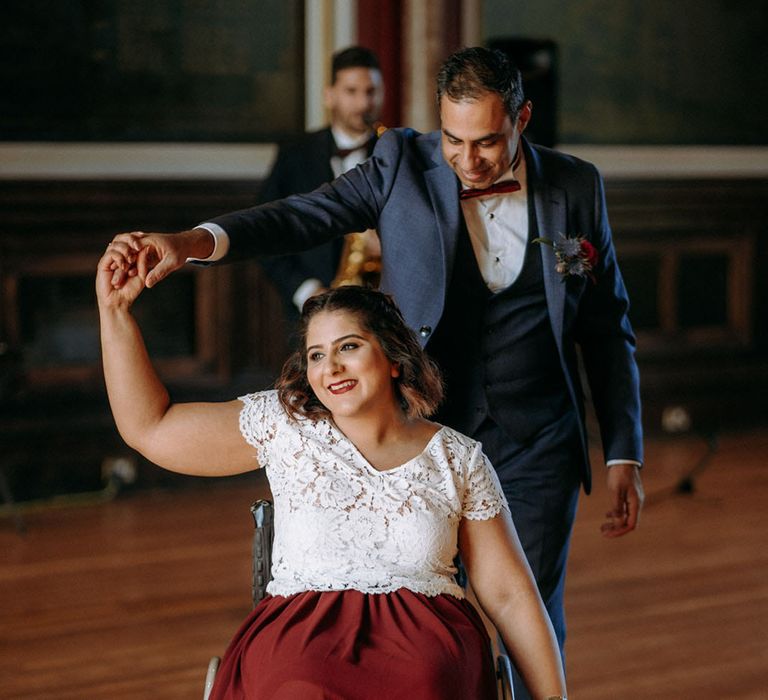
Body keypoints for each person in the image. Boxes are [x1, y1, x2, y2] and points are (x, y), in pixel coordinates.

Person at [108, 46, 644, 698]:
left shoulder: (576, 184)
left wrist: (624, 452)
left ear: (523, 118)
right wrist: (193, 244)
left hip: (537, 439)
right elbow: (298, 215)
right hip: (414, 426)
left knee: (529, 611)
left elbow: (607, 326)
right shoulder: (402, 165)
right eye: (453, 138)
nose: (467, 160)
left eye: (486, 142)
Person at [96, 248, 569, 699]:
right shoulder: (282, 425)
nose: (331, 367)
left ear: (394, 359)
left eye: (349, 346)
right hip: (301, 642)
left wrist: (553, 698)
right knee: (301, 687)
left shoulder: (458, 458)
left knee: (428, 681)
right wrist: (115, 314)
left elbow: (509, 595)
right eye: (317, 355)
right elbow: (149, 428)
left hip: (426, 652)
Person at [258, 46, 384, 323]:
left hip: (382, 312)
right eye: (352, 92)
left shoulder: (396, 151)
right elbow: (267, 234)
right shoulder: (294, 155)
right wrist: (306, 291)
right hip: (311, 311)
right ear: (330, 95)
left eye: (371, 91)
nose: (364, 104)